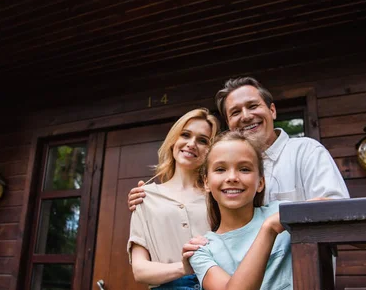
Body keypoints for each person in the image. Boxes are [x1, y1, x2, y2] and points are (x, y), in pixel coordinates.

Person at [128, 76, 348, 211]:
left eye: (253, 106)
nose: (245, 116)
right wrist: (151, 198)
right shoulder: (223, 172)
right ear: (229, 124)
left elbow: (336, 209)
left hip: (302, 280)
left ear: (272, 110)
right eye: (235, 112)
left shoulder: (306, 151)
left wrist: (278, 219)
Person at [187, 130, 296, 290]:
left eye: (245, 169)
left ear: (260, 182)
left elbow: (329, 210)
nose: (232, 177)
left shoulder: (282, 213)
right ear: (206, 182)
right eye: (220, 169)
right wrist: (268, 230)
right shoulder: (201, 249)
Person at [127, 108, 221, 290]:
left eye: (203, 140)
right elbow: (140, 270)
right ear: (173, 141)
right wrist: (183, 267)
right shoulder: (145, 197)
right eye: (186, 135)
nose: (192, 144)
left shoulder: (218, 196)